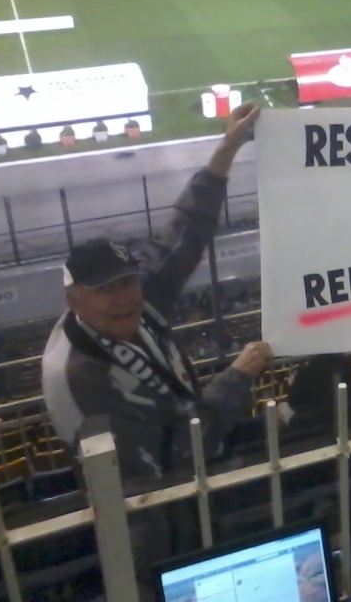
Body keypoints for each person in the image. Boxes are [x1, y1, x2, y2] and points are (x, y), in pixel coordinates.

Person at [41, 102, 272, 490]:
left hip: (193, 471)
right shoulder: (80, 375)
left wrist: (228, 147)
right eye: (104, 290)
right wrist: (235, 379)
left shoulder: (137, 299)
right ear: (74, 301)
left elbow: (186, 229)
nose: (125, 297)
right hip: (152, 512)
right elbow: (173, 457)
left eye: (127, 282)